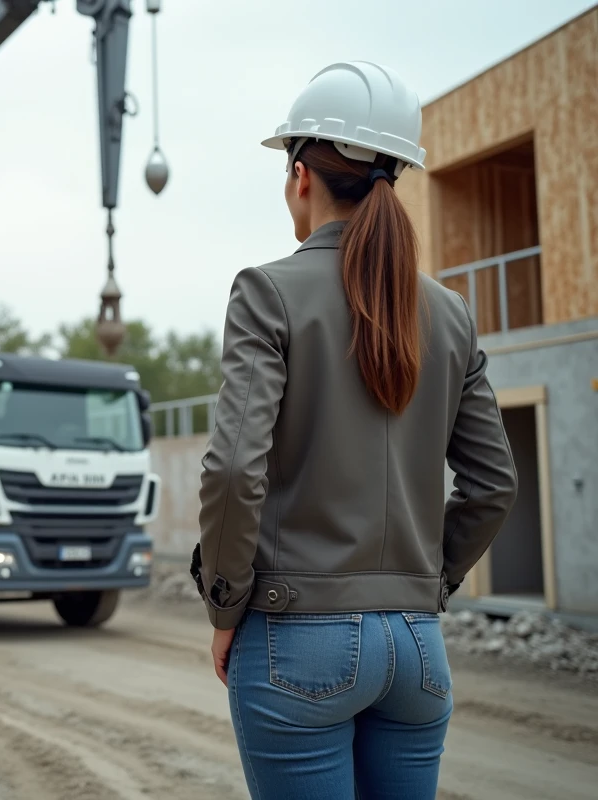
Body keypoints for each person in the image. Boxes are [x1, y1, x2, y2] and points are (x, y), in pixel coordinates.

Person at [190, 61, 518, 799]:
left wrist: (225, 605)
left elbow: (236, 469)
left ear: (301, 174)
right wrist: (425, 584)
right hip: (417, 650)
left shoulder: (266, 292)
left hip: (294, 641)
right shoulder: (452, 313)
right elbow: (495, 484)